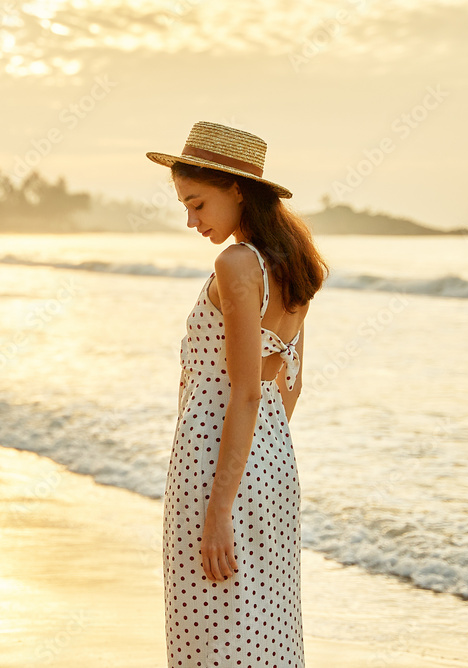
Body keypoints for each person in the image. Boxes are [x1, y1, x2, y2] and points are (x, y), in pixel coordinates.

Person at [146, 121, 329, 667]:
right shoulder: (295, 264)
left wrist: (221, 505)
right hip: (271, 459)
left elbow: (244, 394)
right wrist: (259, 465)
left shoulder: (237, 264)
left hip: (214, 462)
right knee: (266, 632)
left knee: (209, 638)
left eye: (197, 204)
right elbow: (288, 383)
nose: (191, 220)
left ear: (237, 190)